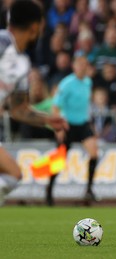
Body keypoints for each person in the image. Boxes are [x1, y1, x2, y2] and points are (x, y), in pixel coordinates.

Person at [0, 0, 68, 205]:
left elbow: (18, 109)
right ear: (35, 27)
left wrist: (48, 119)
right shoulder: (2, 43)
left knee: (13, 175)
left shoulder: (22, 64)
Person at [47, 55, 99, 206]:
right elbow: (55, 106)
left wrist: (91, 124)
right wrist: (58, 127)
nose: (83, 67)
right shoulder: (67, 84)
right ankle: (49, 191)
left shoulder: (88, 82)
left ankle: (89, 190)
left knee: (94, 154)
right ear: (74, 66)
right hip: (67, 125)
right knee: (59, 160)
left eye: (85, 64)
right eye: (80, 64)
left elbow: (85, 105)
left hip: (83, 124)